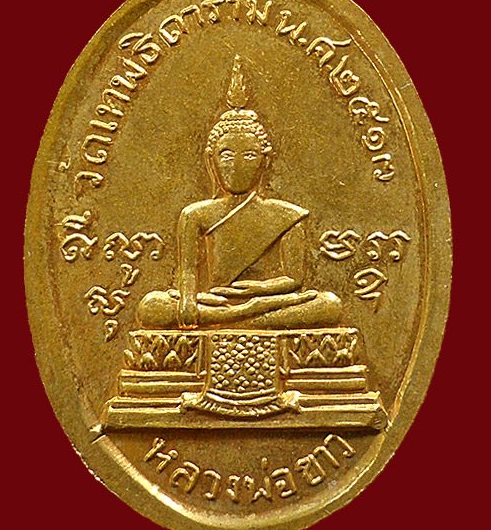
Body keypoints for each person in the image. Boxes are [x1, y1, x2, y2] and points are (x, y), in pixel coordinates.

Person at [136, 56, 343, 330]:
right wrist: (189, 301)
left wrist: (258, 292)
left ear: (265, 161)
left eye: (249, 156)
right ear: (211, 160)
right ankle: (243, 318)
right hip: (213, 303)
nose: (236, 166)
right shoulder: (194, 215)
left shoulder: (288, 216)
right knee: (151, 306)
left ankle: (237, 317)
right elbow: (187, 275)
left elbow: (294, 280)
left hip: (266, 300)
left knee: (329, 304)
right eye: (226, 155)